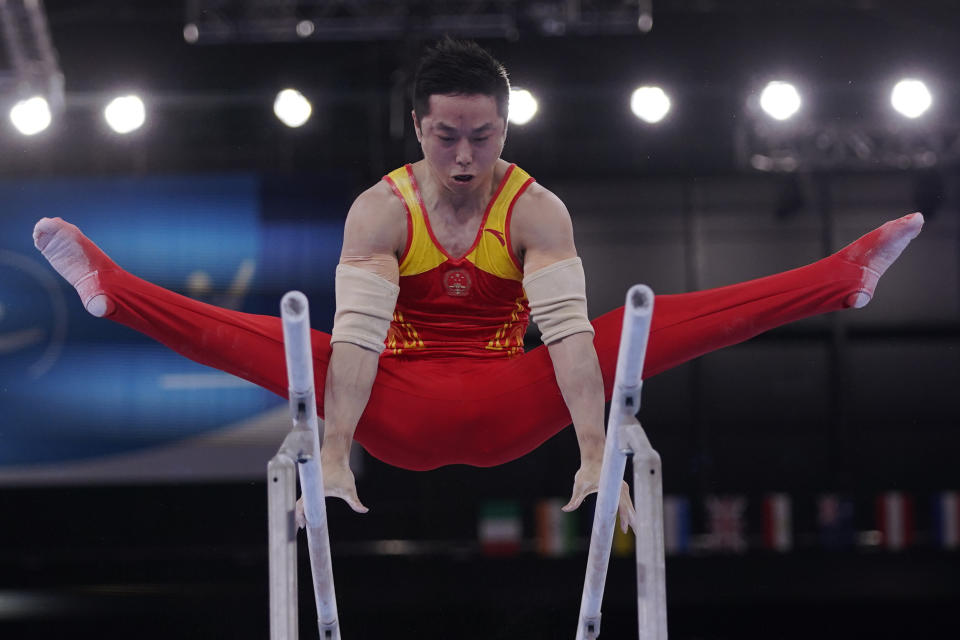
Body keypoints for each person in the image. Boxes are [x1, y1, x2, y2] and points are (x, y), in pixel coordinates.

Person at [33, 38, 923, 535]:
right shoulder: (379, 214)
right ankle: (115, 289)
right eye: (447, 137)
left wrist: (591, 449)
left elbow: (568, 343)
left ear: (506, 126)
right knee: (304, 344)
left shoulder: (538, 212)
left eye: (483, 137)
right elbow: (357, 346)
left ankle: (839, 279)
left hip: (509, 402)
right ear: (419, 127)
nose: (465, 159)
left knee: (633, 329)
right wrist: (333, 454)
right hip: (393, 402)